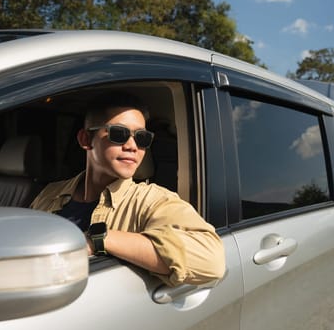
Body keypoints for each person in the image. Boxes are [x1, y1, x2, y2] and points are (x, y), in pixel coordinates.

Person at [30, 92, 225, 287]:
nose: (132, 146)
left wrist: (98, 240)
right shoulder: (50, 193)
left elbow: (212, 260)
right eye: (118, 134)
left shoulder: (152, 200)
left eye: (142, 138)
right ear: (86, 139)